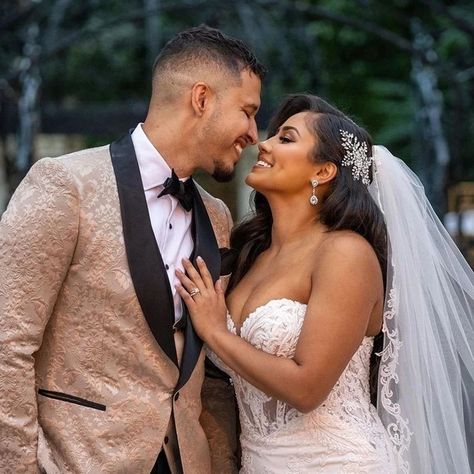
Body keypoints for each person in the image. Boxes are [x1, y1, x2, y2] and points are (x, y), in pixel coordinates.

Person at [0, 25, 264, 473]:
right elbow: (7, 342)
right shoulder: (65, 186)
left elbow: (212, 374)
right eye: (247, 111)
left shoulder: (218, 217)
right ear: (201, 99)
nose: (255, 134)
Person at [176, 94, 474, 473]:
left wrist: (217, 333)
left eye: (285, 138)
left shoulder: (346, 254)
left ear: (323, 172)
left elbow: (306, 388)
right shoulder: (251, 255)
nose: (262, 144)